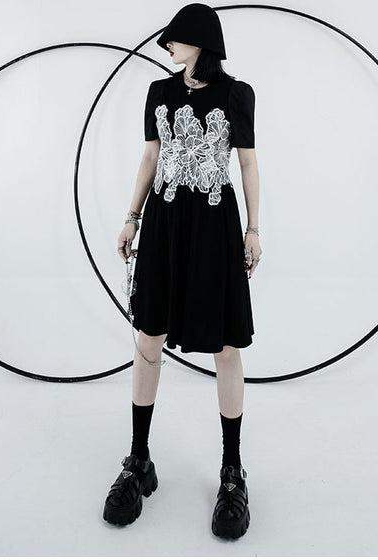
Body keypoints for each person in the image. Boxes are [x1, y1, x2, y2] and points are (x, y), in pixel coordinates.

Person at [103, 2, 262, 540]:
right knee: (148, 334)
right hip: (165, 223)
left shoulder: (237, 94)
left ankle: (232, 472)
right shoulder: (158, 92)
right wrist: (131, 217)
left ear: (200, 39)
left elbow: (247, 162)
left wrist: (254, 228)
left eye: (175, 37)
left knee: (226, 344)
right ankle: (138, 460)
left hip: (215, 226)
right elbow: (151, 158)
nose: (167, 45)